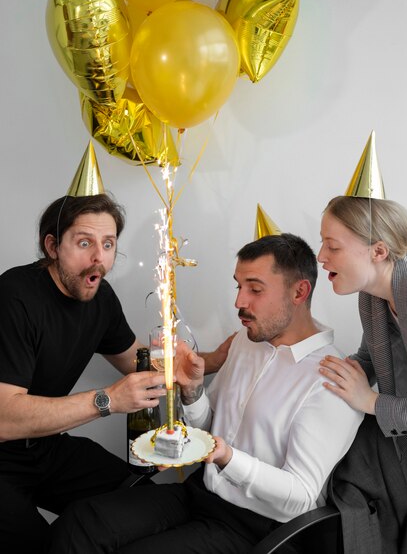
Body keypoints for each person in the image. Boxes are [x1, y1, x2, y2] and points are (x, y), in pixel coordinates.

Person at [46, 233, 363, 554]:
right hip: (201, 492)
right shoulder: (246, 341)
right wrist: (194, 390)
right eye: (238, 286)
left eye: (255, 289)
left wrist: (228, 457)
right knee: (83, 520)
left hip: (258, 528)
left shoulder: (332, 378)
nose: (240, 302)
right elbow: (211, 431)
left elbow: (303, 496)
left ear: (299, 291)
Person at [0, 192, 231, 554]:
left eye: (108, 244)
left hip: (44, 448)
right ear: (52, 246)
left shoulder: (100, 296)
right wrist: (107, 400)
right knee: (39, 545)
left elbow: (138, 361)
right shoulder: (14, 297)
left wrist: (212, 360)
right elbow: (4, 418)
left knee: (141, 500)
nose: (99, 258)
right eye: (84, 243)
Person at [318, 194, 407, 502]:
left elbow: (366, 392)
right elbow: (369, 360)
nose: (321, 256)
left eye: (333, 246)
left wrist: (371, 401)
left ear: (378, 251)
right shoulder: (373, 298)